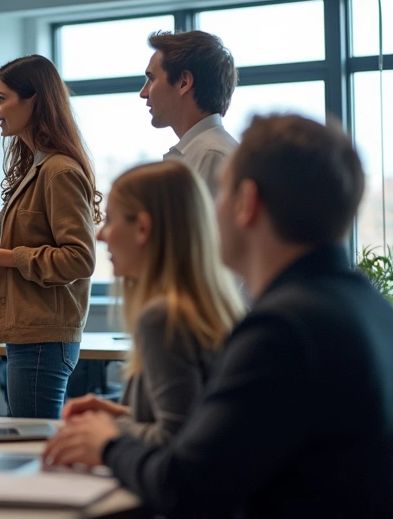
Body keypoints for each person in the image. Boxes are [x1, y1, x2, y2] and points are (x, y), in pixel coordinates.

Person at [44, 115, 393, 518]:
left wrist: (107, 444)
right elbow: (220, 440)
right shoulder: (366, 306)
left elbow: (183, 486)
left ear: (247, 203)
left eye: (221, 193)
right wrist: (122, 422)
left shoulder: (285, 329)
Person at [0, 54, 100, 419]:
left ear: (34, 100)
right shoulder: (39, 167)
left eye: (1, 98)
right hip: (31, 335)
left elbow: (79, 259)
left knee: (34, 448)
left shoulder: (59, 171)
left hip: (44, 339)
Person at [62, 160, 243, 445]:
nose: (99, 235)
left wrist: (108, 433)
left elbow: (177, 438)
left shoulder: (163, 316)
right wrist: (119, 415)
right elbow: (192, 417)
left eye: (109, 220)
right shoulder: (206, 308)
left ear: (143, 228)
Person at [140, 30, 239, 197]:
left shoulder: (211, 155)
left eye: (152, 79)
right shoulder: (202, 152)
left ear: (183, 83)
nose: (143, 92)